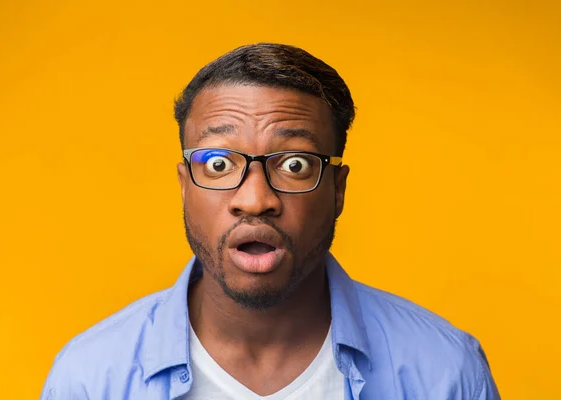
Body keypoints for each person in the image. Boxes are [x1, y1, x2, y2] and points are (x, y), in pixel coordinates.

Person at [40, 43, 500, 400]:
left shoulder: (444, 370)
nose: (255, 199)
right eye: (218, 164)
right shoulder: (91, 376)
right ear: (185, 185)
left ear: (337, 189)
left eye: (294, 164)